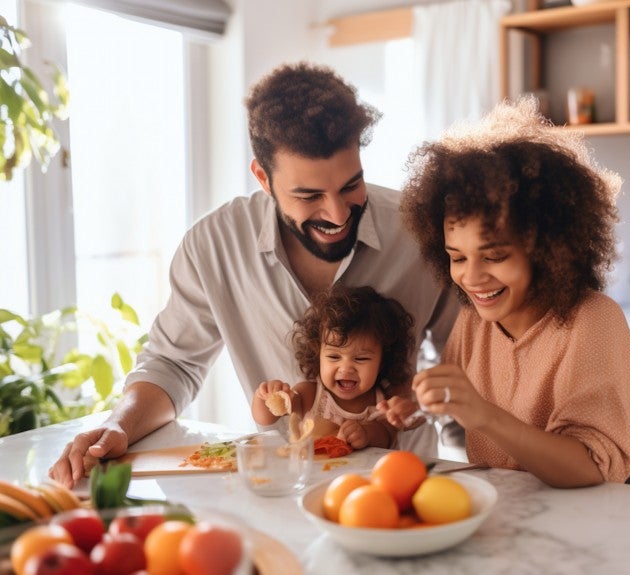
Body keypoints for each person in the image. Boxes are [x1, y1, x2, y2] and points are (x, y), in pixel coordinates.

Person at [49, 62, 458, 488]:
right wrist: (120, 424)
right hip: (280, 487)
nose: (337, 214)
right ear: (263, 178)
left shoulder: (420, 232)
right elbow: (173, 363)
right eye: (309, 195)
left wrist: (424, 404)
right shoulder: (214, 245)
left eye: (351, 185)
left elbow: (468, 358)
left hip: (402, 483)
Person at [379, 99, 630, 488]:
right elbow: (461, 398)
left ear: (548, 248)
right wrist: (421, 407)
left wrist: (483, 415)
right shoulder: (474, 319)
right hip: (502, 521)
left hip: (581, 533)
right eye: (457, 257)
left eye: (495, 256)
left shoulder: (593, 321)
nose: (471, 277)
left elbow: (594, 468)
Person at [253, 285, 414, 450]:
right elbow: (264, 419)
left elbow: (387, 436)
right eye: (334, 357)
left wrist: (366, 433)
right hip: (314, 475)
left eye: (361, 358)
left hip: (368, 475)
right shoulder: (310, 395)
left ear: (382, 362)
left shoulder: (383, 401)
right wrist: (267, 395)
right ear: (318, 355)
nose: (345, 368)